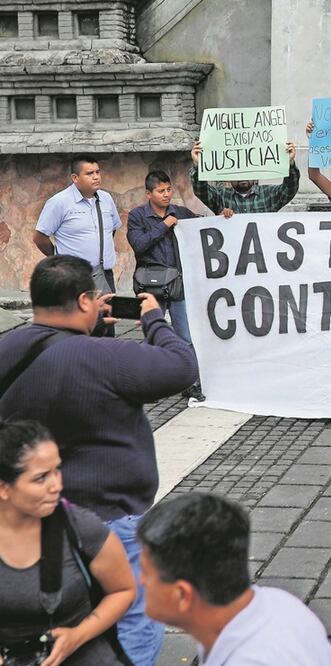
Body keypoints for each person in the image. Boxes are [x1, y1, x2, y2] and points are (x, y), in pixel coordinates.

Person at [0, 255, 197, 666]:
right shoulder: (106, 357)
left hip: (35, 517)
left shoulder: (8, 349)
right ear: (84, 300)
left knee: (62, 616)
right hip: (109, 520)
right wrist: (154, 320)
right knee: (131, 622)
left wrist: (92, 330)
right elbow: (181, 366)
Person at [137, 492, 331, 666]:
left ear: (182, 595)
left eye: (145, 573)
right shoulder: (279, 602)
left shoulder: (253, 659)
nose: (140, 581)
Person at [0, 420, 136, 666]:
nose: (57, 486)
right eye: (41, 478)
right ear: (3, 488)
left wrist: (77, 635)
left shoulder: (80, 527)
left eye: (57, 470)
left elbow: (123, 590)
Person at [126, 170, 204, 401]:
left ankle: (191, 383)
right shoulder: (137, 216)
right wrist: (164, 225)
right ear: (149, 194)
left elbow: (202, 227)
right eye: (161, 191)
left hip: (178, 284)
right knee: (152, 335)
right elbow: (138, 244)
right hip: (151, 288)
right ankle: (148, 384)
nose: (166, 194)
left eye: (169, 189)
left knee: (186, 337)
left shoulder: (180, 212)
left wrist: (224, 216)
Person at [32, 155, 123, 337]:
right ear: (75, 178)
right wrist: (59, 259)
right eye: (89, 173)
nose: (96, 177)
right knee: (78, 328)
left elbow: (111, 230)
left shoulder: (106, 199)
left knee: (106, 327)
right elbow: (39, 237)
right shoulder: (59, 202)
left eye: (97, 172)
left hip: (104, 274)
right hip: (75, 277)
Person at [189, 139, 300, 217]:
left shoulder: (269, 194)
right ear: (228, 176)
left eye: (246, 171)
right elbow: (200, 190)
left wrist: (289, 163)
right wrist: (198, 165)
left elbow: (290, 188)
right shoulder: (220, 196)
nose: (242, 177)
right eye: (237, 172)